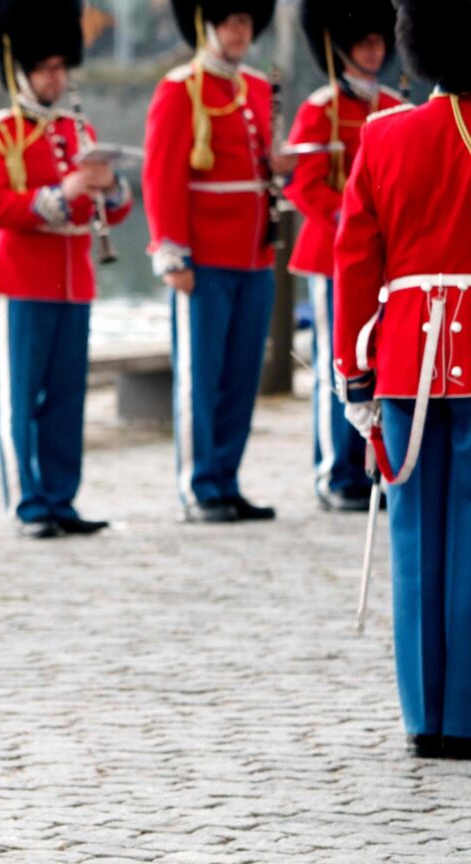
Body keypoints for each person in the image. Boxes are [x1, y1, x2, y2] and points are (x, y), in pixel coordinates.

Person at [334, 0, 471, 760]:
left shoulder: (385, 134)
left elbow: (354, 262)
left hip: (406, 359)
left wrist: (355, 378)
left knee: (417, 538)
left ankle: (426, 718)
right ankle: (467, 713)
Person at [0, 0, 133, 539]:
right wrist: (55, 196)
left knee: (67, 397)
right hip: (23, 278)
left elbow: (112, 208)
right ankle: (28, 503)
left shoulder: (76, 127)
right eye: (45, 68)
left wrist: (110, 187)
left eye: (60, 67)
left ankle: (61, 497)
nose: (55, 77)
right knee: (22, 398)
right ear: (21, 68)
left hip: (75, 280)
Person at [143, 0, 293, 524]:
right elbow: (162, 178)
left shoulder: (254, 87)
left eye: (245, 21)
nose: (238, 30)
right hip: (202, 257)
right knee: (200, 376)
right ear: (208, 25)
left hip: (253, 253)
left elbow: (261, 174)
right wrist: (171, 252)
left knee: (240, 374)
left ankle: (226, 477)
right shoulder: (180, 87)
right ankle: (199, 484)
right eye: (229, 20)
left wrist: (280, 168)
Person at [287, 0, 403, 513]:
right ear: (343, 47)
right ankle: (335, 473)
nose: (375, 51)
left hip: (384, 259)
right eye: (365, 43)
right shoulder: (320, 108)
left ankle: (369, 466)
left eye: (380, 41)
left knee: (376, 366)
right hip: (334, 253)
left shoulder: (394, 107)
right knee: (340, 366)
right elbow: (303, 184)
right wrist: (356, 224)